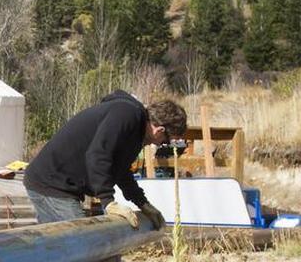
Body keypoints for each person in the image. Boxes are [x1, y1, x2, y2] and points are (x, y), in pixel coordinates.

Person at [23, 90, 187, 229]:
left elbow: (121, 171)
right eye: (165, 141)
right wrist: (108, 202)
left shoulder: (135, 131)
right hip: (51, 183)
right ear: (160, 130)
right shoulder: (127, 115)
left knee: (61, 249)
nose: (160, 144)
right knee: (81, 244)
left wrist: (142, 203)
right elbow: (98, 155)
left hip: (59, 184)